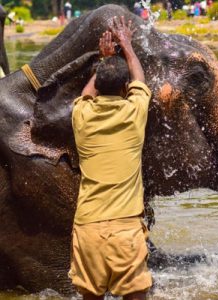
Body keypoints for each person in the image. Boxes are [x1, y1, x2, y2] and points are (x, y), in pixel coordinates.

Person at [69, 16, 152, 300]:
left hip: (88, 228)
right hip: (125, 230)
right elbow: (139, 80)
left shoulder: (81, 116)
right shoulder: (134, 114)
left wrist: (103, 61)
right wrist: (126, 46)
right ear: (123, 90)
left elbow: (86, 93)